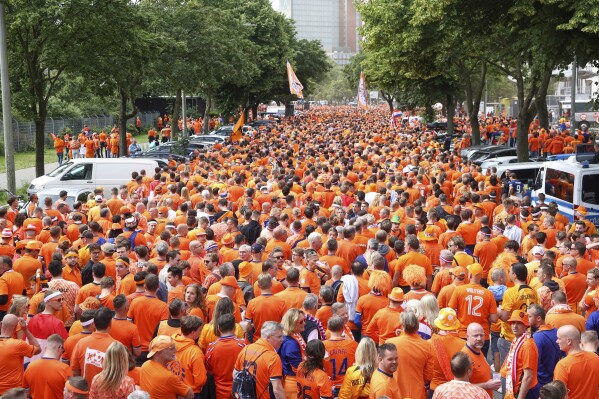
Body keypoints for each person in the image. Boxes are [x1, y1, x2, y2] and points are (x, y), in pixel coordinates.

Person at [385, 310, 433, 399]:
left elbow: (384, 369)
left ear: (402, 325)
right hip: (418, 393)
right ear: (417, 327)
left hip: (395, 393)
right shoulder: (427, 346)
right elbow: (428, 376)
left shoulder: (390, 343)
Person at [234, 321, 286, 399]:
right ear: (268, 337)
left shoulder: (246, 349)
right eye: (279, 337)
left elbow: (235, 373)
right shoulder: (273, 357)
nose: (282, 340)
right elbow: (277, 389)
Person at [71, 307, 117, 387]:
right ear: (110, 324)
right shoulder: (116, 346)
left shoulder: (81, 343)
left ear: (94, 324)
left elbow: (75, 371)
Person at [206, 314, 248, 399]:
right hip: (240, 391)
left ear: (218, 328)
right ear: (235, 328)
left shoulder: (211, 347)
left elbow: (209, 370)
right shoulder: (244, 344)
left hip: (220, 392)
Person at [500, 310, 539, 399]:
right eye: (513, 323)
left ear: (525, 325)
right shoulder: (518, 340)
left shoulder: (527, 345)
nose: (515, 326)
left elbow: (528, 376)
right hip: (515, 389)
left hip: (523, 392)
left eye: (519, 323)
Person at [554, 325, 599, 399]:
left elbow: (559, 394)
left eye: (559, 338)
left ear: (569, 341)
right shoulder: (595, 357)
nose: (557, 341)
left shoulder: (563, 365)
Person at [0, 314, 41, 395]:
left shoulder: (18, 345)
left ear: (1, 324)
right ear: (16, 328)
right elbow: (38, 349)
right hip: (13, 392)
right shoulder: (18, 345)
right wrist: (25, 330)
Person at [429, 308, 465, 395]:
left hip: (435, 388)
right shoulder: (464, 345)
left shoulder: (429, 343)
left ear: (438, 325)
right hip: (455, 390)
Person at [170, 316, 207, 398]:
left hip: (173, 390)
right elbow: (200, 380)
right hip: (191, 393)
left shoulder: (170, 343)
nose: (200, 332)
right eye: (200, 330)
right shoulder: (195, 352)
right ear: (193, 332)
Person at [462, 323, 501, 398]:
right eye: (475, 336)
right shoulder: (464, 358)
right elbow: (462, 388)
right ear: (467, 337)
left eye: (481, 335)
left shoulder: (478, 350)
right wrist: (487, 385)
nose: (479, 338)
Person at [526, 304, 561, 386]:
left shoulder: (537, 337)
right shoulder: (555, 330)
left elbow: (534, 363)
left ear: (538, 318)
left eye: (529, 316)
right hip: (555, 378)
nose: (526, 319)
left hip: (541, 381)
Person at [324, 315, 358, 396]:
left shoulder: (322, 346)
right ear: (343, 328)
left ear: (328, 328)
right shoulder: (353, 344)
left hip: (329, 386)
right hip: (348, 386)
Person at [278, 308, 307, 399]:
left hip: (296, 379)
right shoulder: (290, 343)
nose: (304, 323)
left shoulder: (294, 335)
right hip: (294, 383)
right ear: (293, 323)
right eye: (301, 321)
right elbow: (297, 368)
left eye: (304, 320)